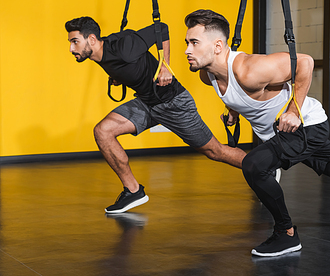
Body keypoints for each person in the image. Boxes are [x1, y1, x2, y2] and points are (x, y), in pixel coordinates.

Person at [183, 9, 330, 257]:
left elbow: (305, 62)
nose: (187, 50)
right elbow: (235, 94)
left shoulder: (250, 70)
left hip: (305, 125)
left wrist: (293, 110)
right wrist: (233, 111)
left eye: (194, 43)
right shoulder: (207, 75)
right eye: (187, 42)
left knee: (254, 164)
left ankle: (286, 234)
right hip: (281, 133)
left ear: (218, 46)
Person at [65, 16, 248, 214]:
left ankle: (262, 168)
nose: (71, 49)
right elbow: (131, 66)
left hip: (173, 103)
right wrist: (118, 77)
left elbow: (161, 28)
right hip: (147, 102)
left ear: (91, 40)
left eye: (75, 42)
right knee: (103, 131)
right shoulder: (103, 52)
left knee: (215, 152)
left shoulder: (124, 46)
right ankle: (133, 190)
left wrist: (164, 65)